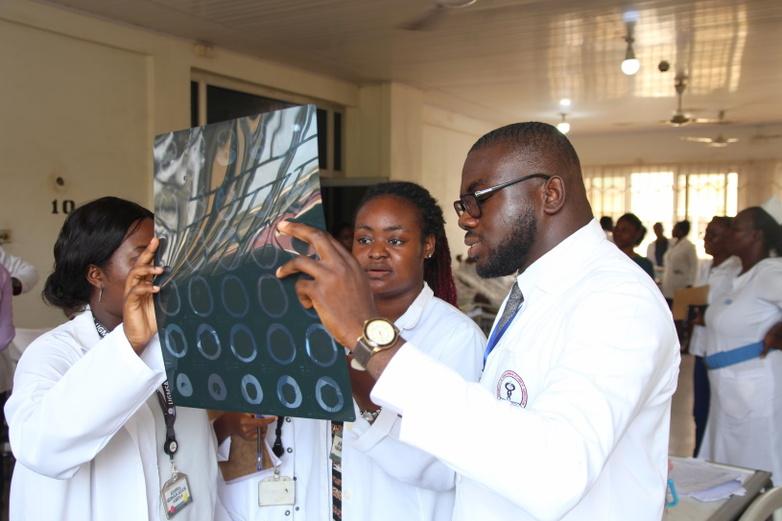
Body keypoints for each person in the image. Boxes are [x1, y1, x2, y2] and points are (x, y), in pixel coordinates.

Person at [275, 122, 679, 520]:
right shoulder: (532, 292)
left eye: (478, 199)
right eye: (462, 205)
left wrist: (368, 336)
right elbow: (487, 435)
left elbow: (555, 472)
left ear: (550, 194)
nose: (466, 219)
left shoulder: (616, 298)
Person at [217, 182, 484, 521]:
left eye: (396, 240)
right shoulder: (318, 320)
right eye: (364, 239)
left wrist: (350, 346)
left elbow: (439, 468)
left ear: (428, 246)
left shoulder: (455, 337)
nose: (376, 252)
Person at [4, 197, 229, 521]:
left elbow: (196, 453)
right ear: (96, 275)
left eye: (163, 256)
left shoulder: (177, 343)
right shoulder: (53, 353)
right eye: (143, 258)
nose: (160, 269)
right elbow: (40, 447)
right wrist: (130, 344)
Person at [698, 207, 782, 483]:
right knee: (728, 470)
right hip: (729, 389)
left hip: (755, 389)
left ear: (756, 236)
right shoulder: (739, 275)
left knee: (761, 470)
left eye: (736, 228)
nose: (729, 233)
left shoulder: (769, 273)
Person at [687, 216, 740, 456]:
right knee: (700, 410)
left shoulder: (737, 270)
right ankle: (700, 455)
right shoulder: (705, 266)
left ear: (730, 238)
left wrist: (707, 315)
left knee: (720, 411)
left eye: (714, 235)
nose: (707, 240)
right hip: (701, 347)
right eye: (706, 233)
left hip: (723, 351)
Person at [661, 220, 698, 304]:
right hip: (668, 283)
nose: (672, 230)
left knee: (678, 312)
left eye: (675, 228)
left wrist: (690, 284)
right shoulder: (673, 244)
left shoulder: (689, 246)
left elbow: (694, 266)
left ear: (681, 231)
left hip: (681, 284)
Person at [612, 212, 655, 278]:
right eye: (617, 228)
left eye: (624, 230)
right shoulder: (607, 258)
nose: (618, 233)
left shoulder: (643, 265)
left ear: (637, 234)